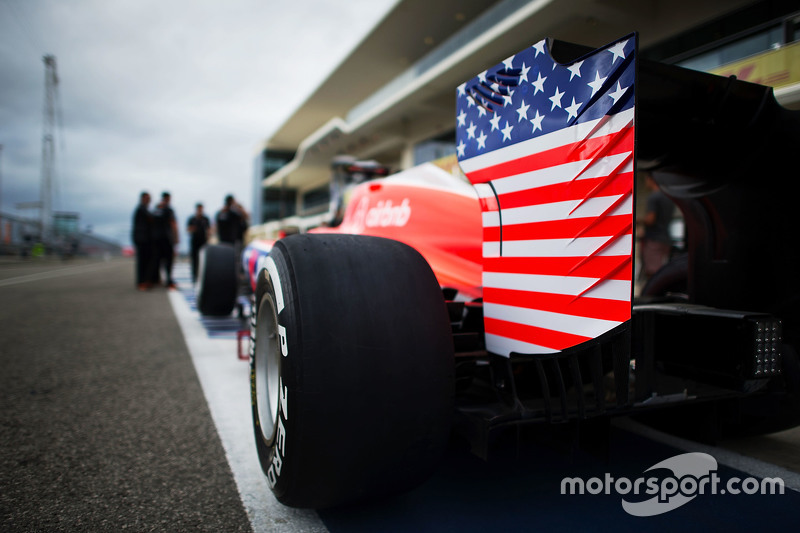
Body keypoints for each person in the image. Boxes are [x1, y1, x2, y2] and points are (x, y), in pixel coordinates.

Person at [639, 174, 676, 279]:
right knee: (662, 270)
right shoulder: (669, 197)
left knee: (653, 273)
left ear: (650, 179)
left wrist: (638, 221)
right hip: (666, 238)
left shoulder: (654, 197)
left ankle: (653, 294)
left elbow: (651, 220)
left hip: (654, 239)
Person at [152, 191, 179, 289]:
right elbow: (173, 224)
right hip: (166, 238)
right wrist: (176, 238)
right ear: (167, 199)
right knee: (168, 260)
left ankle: (156, 279)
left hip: (156, 238)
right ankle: (169, 281)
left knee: (157, 259)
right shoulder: (168, 210)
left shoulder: (156, 209)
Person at [131, 191, 155, 290]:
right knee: (142, 261)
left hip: (146, 239)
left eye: (149, 198)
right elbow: (151, 219)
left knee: (147, 261)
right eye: (147, 198)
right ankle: (141, 282)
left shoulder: (144, 209)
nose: (149, 200)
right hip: (142, 239)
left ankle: (145, 280)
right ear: (142, 198)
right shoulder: (141, 209)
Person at [186, 203, 211, 283]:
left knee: (203, 260)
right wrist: (193, 229)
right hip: (194, 242)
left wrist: (209, 238)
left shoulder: (205, 219)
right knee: (194, 260)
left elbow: (209, 229)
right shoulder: (192, 219)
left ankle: (202, 276)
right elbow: (188, 229)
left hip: (203, 242)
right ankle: (194, 277)